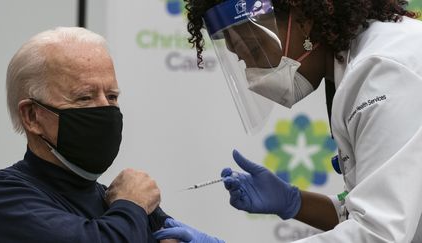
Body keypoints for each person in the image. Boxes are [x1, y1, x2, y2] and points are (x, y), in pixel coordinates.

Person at [154, 0, 422, 242]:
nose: (253, 75)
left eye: (254, 52)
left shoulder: (382, 71)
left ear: (304, 22)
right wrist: (293, 202)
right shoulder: (357, 66)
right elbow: (373, 213)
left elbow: (377, 233)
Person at [0, 27, 223, 243]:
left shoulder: (112, 198)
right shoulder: (3, 197)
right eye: (84, 97)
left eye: (112, 97)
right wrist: (132, 204)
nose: (106, 109)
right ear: (32, 116)